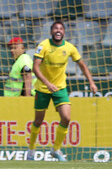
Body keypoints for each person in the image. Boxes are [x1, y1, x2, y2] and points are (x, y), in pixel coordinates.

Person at [27, 20, 98, 161]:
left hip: (60, 88)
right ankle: (31, 149)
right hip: (42, 88)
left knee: (66, 118)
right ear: (51, 32)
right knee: (38, 120)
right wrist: (47, 84)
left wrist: (91, 82)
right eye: (55, 28)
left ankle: (56, 149)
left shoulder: (70, 47)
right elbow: (35, 67)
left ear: (64, 32)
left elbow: (82, 65)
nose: (58, 31)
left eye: (60, 28)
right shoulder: (43, 46)